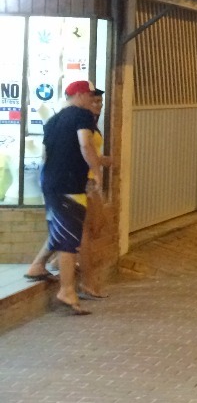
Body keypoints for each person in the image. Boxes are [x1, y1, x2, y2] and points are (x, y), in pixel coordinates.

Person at [24, 81, 113, 314]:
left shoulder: (53, 121)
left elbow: (46, 155)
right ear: (80, 95)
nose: (92, 101)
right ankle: (67, 290)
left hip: (51, 183)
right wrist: (97, 172)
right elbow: (85, 144)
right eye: (90, 96)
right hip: (70, 185)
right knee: (69, 240)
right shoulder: (82, 116)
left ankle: (39, 267)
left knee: (65, 232)